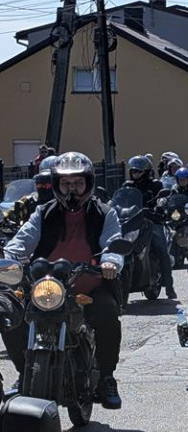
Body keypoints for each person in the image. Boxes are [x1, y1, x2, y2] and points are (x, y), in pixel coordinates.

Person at [2, 152, 125, 409]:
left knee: (107, 315)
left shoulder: (105, 213)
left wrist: (111, 261)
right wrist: (8, 258)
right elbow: (21, 241)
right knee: (10, 313)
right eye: (66, 184)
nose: (72, 190)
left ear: (88, 184)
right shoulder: (43, 213)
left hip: (88, 284)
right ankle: (26, 373)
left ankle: (106, 377)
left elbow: (112, 243)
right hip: (45, 285)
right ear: (57, 185)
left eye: (77, 184)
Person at [123, 156, 176, 299]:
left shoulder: (156, 185)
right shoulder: (128, 186)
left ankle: (169, 286)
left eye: (139, 172)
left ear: (146, 172)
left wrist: (160, 206)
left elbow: (162, 199)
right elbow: (120, 200)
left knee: (161, 248)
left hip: (151, 221)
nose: (135, 175)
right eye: (133, 172)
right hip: (132, 222)